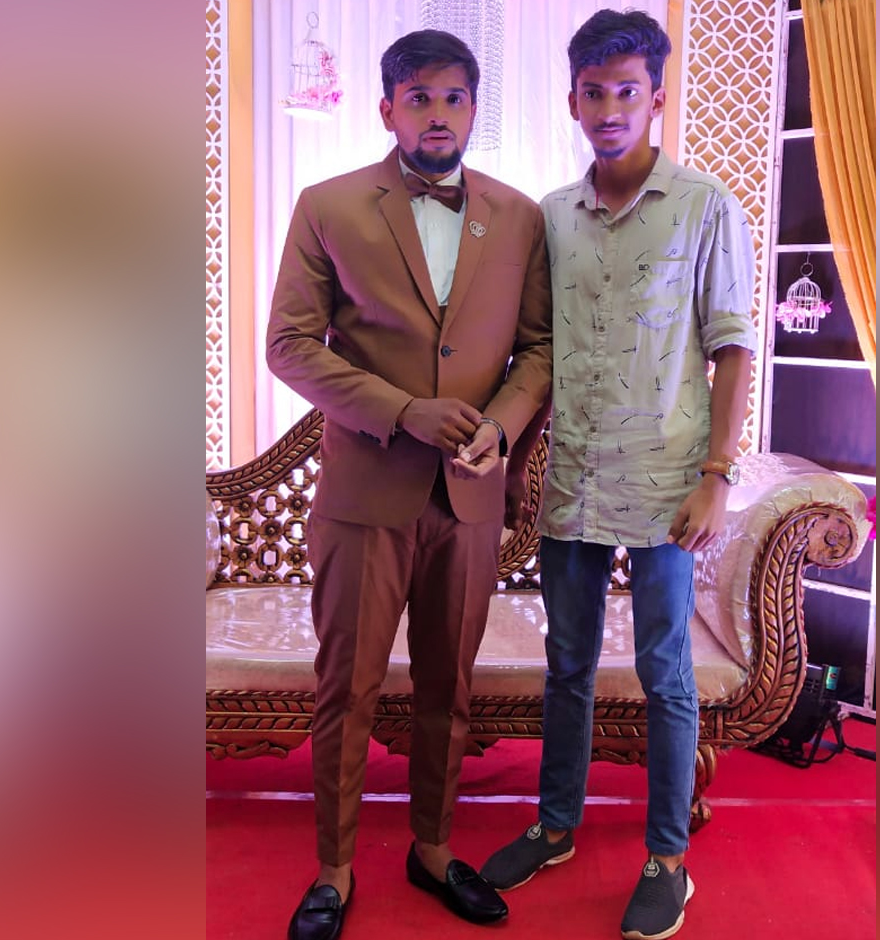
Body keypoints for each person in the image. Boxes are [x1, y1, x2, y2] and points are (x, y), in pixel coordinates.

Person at [265, 29, 553, 940]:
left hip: (469, 498)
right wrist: (400, 411)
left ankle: (432, 849)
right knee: (346, 689)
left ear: (474, 109)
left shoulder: (520, 218)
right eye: (419, 98)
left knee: (449, 688)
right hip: (364, 494)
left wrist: (500, 426)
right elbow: (289, 344)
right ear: (387, 108)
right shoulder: (328, 205)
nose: (437, 115)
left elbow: (539, 350)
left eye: (454, 97)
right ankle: (334, 869)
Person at [480, 10, 757, 940]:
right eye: (594, 93)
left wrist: (717, 474)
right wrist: (519, 460)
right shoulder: (553, 215)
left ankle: (668, 859)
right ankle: (556, 824)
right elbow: (540, 349)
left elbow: (732, 348)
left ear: (655, 98)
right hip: (574, 482)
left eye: (626, 92)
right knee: (566, 662)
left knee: (663, 669)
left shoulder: (706, 206)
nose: (609, 108)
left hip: (668, 485)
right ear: (572, 101)